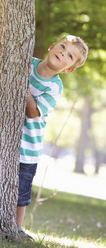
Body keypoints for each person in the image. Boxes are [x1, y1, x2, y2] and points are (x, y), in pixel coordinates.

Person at [16, 35, 88, 240]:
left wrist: (22, 83)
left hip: (29, 146)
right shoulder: (27, 62)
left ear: (69, 69)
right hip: (6, 142)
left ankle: (17, 227)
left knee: (21, 192)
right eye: (62, 46)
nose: (63, 52)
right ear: (51, 46)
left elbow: (32, 112)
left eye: (70, 55)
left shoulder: (55, 87)